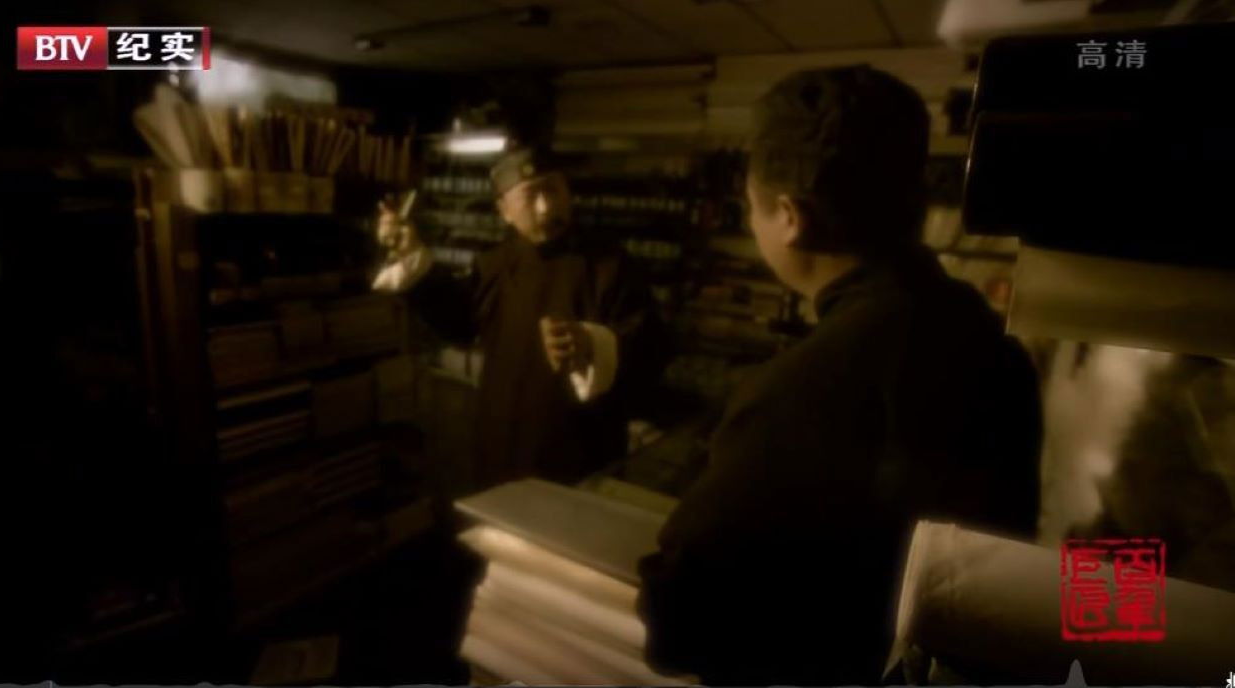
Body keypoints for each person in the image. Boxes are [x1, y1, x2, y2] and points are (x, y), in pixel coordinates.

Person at [636, 66, 1042, 686]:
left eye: (750, 207)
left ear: (789, 217)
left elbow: (679, 627)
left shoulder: (798, 388)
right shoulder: (989, 339)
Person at [374, 147, 668, 490]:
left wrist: (593, 344)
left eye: (553, 190)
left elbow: (651, 343)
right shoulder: (494, 265)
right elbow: (459, 323)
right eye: (530, 196)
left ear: (567, 191)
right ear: (505, 211)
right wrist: (411, 254)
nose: (546, 208)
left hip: (581, 451)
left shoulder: (610, 265)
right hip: (501, 442)